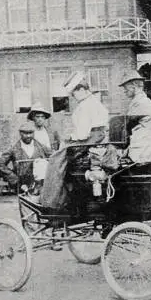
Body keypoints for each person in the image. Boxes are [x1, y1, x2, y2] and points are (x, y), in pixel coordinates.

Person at [40, 72, 109, 210]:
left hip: (89, 142)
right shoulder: (96, 103)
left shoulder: (85, 106)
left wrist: (70, 137)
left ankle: (53, 201)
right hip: (99, 141)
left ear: (82, 89)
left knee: (55, 160)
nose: (73, 97)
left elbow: (83, 135)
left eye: (74, 94)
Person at [0, 121, 52, 193]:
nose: (28, 136)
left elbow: (54, 158)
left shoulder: (41, 147)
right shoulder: (14, 148)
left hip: (40, 185)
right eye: (25, 133)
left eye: (30, 133)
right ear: (20, 133)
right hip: (22, 185)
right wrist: (14, 179)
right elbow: (0, 164)